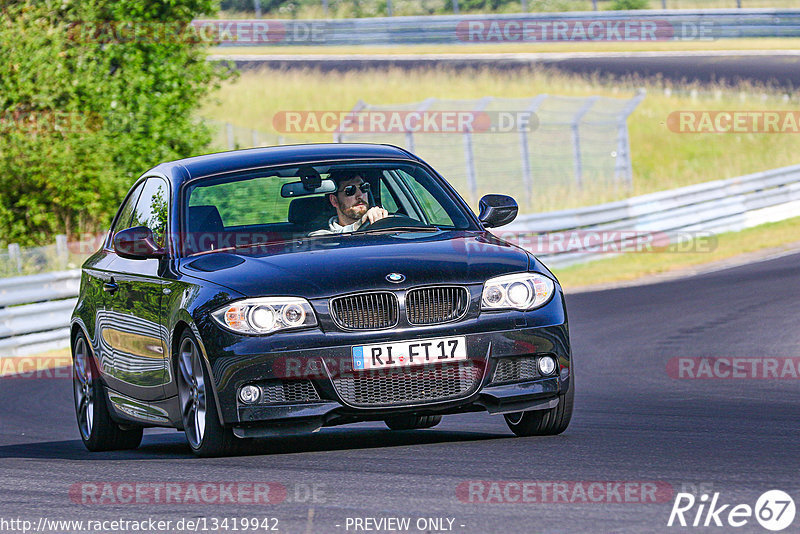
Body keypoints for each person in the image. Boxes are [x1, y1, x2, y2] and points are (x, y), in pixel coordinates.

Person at [309, 171, 388, 235]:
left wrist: (382, 220)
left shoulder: (383, 221)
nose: (360, 195)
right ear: (334, 200)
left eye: (364, 187)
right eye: (350, 190)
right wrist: (360, 224)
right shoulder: (322, 236)